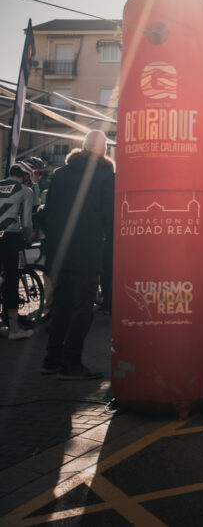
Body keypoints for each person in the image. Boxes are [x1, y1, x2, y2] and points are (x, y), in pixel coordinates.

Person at [41, 130, 114, 378]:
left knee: (61, 304)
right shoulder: (105, 174)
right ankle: (71, 363)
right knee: (84, 307)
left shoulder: (60, 174)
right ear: (103, 148)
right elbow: (109, 214)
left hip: (60, 249)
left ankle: (51, 360)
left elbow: (47, 212)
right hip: (88, 249)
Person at [0, 163, 36, 340]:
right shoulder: (25, 191)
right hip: (11, 238)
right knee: (12, 278)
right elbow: (27, 222)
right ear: (25, 176)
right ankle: (14, 329)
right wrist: (28, 238)